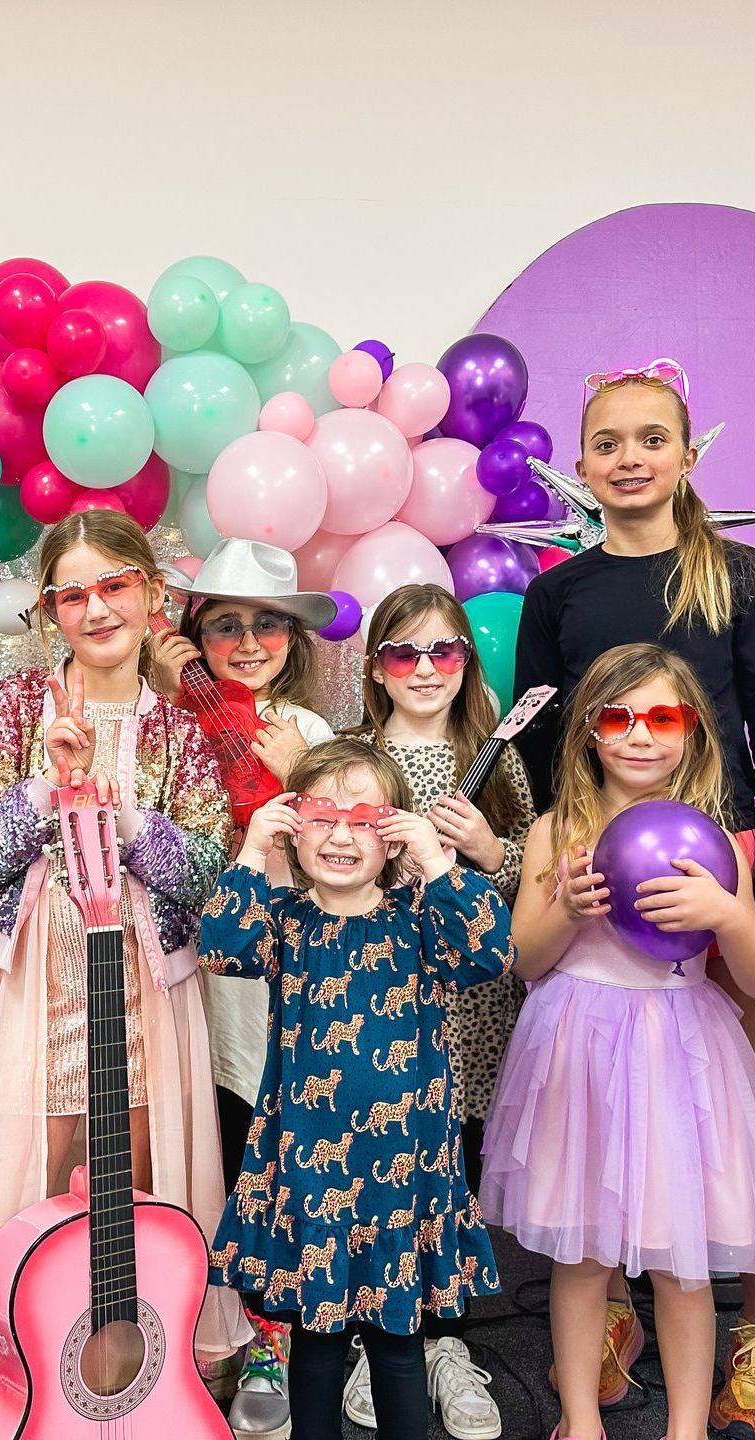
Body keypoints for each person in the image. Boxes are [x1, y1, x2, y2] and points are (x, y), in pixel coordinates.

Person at [0, 509, 249, 1389]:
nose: (96, 609)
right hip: (41, 975)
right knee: (43, 1168)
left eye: (114, 586)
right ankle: (34, 1371)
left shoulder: (180, 724)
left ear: (152, 596)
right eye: (73, 594)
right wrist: (45, 787)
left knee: (135, 1183)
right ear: (47, 611)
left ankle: (132, 1373)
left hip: (145, 977)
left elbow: (205, 871)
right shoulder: (12, 708)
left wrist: (125, 816)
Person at [513, 358, 755, 1424]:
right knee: (607, 1123)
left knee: (714, 1131)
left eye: (652, 440)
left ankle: (731, 1355)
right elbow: (537, 740)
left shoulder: (733, 575)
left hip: (721, 849)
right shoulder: (557, 593)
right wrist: (560, 855)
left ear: (688, 456)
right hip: (595, 853)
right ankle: (599, 1349)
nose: (630, 459)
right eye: (608, 443)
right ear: (580, 464)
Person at [200, 738, 513, 1440]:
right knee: (316, 1341)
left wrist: (436, 862)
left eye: (365, 819)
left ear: (393, 834)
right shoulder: (285, 921)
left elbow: (492, 952)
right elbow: (221, 948)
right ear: (292, 824)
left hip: (404, 1177)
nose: (341, 835)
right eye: (321, 815)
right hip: (311, 1168)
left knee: (397, 1347)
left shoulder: (418, 918)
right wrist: (253, 851)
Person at [483, 642, 755, 1440]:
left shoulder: (719, 845)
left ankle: (684, 1430)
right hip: (578, 1056)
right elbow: (523, 961)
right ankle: (581, 1420)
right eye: (618, 716)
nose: (640, 734)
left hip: (678, 1055)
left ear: (695, 732)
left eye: (662, 717)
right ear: (589, 735)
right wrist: (565, 905)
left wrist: (730, 917)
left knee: (683, 1264)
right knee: (581, 1259)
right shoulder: (554, 832)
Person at [148, 536, 338, 1438]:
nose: (250, 640)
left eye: (268, 623)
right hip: (205, 974)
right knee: (225, 1157)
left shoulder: (315, 732)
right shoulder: (174, 722)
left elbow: (348, 858)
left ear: (295, 638)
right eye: (227, 624)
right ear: (196, 634)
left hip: (302, 986)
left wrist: (303, 768)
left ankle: (312, 1335)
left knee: (304, 1162)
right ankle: (242, 1331)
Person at [343, 583, 536, 1438]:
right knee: (368, 1173)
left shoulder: (499, 758)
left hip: (469, 1013)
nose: (425, 668)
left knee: (448, 1175)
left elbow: (529, 871)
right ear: (377, 669)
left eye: (444, 651)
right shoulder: (355, 759)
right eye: (403, 652)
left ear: (467, 662)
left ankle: (446, 1343)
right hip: (379, 1007)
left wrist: (489, 849)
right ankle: (370, 1338)